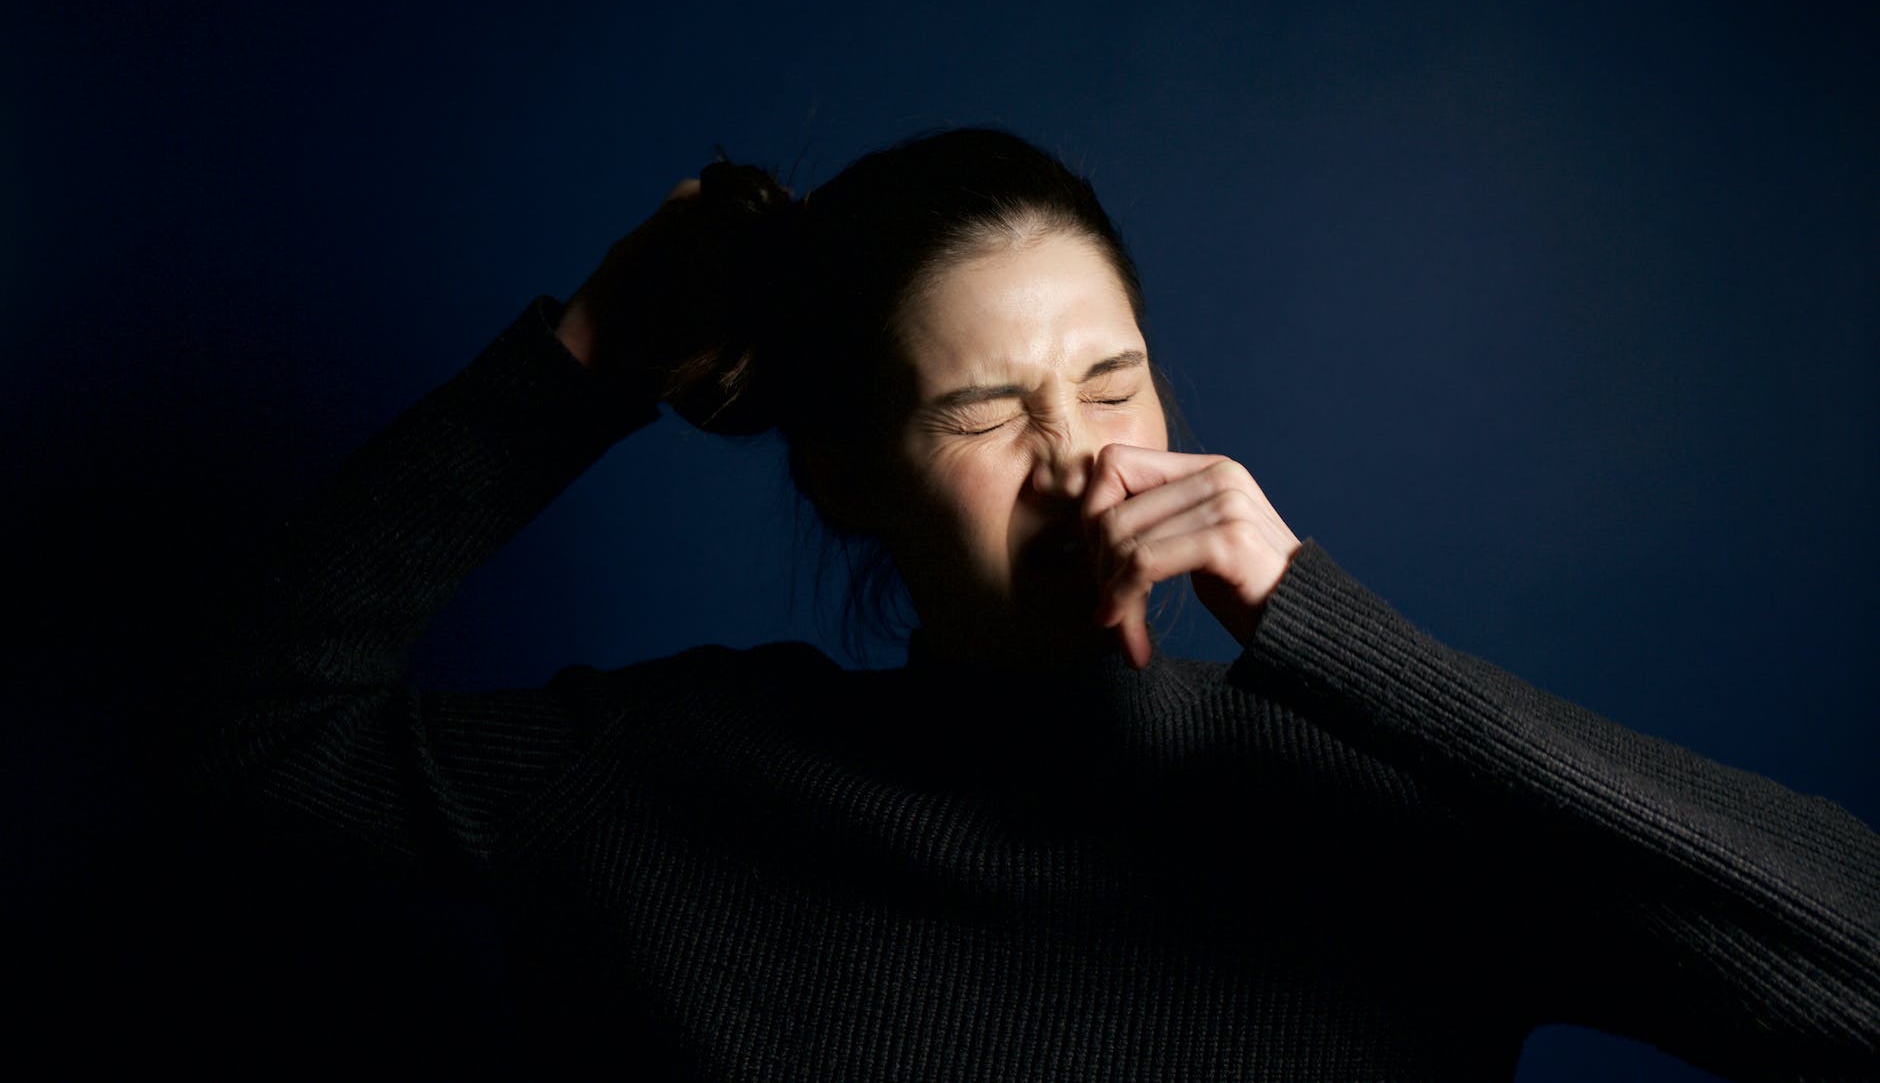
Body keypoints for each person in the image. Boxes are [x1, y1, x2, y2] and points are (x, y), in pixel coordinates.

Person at [195, 128, 1878, 1079]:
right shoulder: (668, 779)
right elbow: (248, 730)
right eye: (985, 413)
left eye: (1115, 381)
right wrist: (586, 359)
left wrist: (1325, 626)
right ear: (851, 475)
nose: (1077, 461)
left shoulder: (1367, 811)